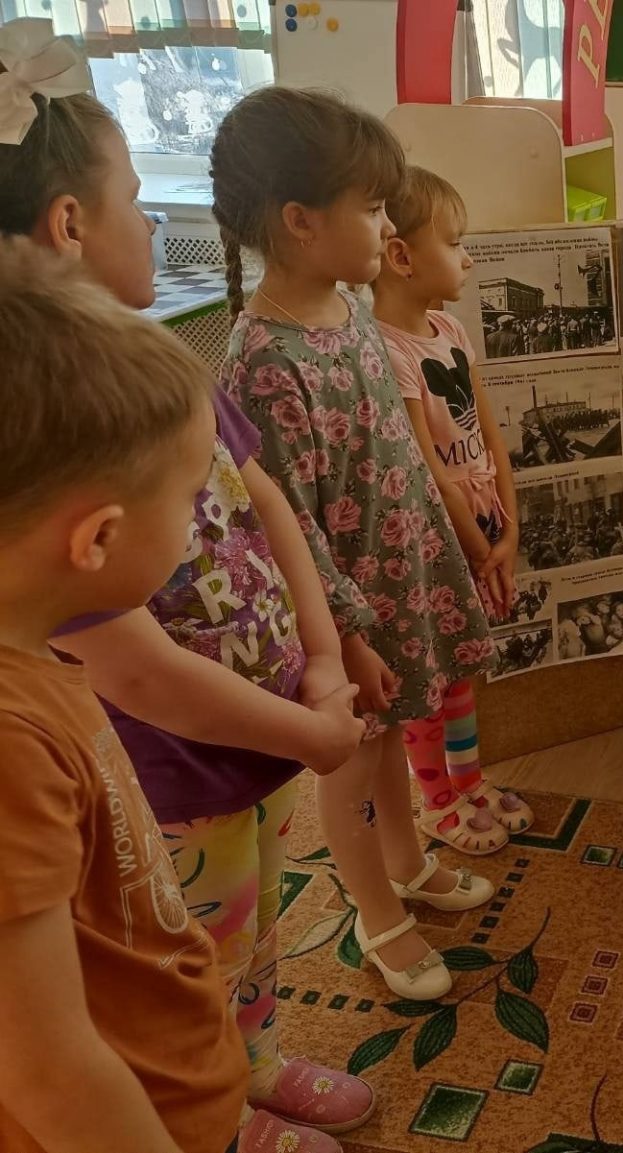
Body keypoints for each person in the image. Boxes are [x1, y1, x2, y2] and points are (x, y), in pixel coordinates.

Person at [0, 35, 372, 1150]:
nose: (157, 222)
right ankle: (217, 1107)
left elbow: (262, 502)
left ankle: (242, 1066)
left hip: (264, 734)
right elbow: (49, 1058)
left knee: (235, 931)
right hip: (192, 769)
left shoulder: (154, 377)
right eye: (131, 199)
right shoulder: (66, 466)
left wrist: (319, 658)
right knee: (190, 941)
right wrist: (310, 724)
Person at [213, 88, 499, 1005]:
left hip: (402, 574)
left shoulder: (354, 316)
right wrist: (348, 636)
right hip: (342, 612)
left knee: (393, 740)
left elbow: (397, 455)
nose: (386, 224)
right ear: (301, 222)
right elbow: (284, 517)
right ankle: (375, 907)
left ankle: (409, 861)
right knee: (354, 759)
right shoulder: (262, 358)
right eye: (370, 208)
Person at [0, 241, 248, 1153]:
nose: (200, 517)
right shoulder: (9, 743)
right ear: (98, 538)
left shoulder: (37, 654)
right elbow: (46, 1068)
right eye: (191, 497)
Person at [372, 166, 534, 856]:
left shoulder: (451, 330)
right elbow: (427, 469)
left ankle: (467, 781)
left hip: (482, 525)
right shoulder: (387, 349)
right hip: (439, 539)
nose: (468, 256)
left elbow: (491, 436)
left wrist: (510, 529)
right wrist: (476, 546)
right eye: (456, 242)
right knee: (431, 672)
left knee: (464, 665)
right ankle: (435, 796)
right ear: (402, 256)